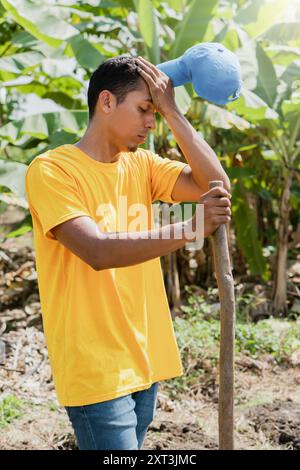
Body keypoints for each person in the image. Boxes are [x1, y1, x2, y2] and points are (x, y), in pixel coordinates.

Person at [25, 54, 231, 450]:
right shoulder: (52, 170)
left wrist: (172, 111)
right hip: (97, 369)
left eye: (155, 112)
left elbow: (216, 185)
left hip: (144, 358)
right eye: (144, 110)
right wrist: (192, 227)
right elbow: (96, 251)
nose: (150, 122)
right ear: (106, 102)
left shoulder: (142, 166)